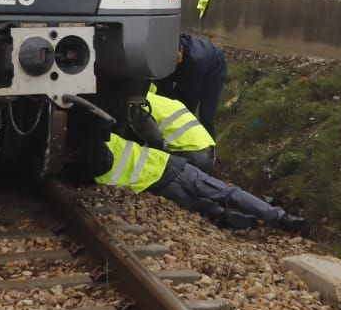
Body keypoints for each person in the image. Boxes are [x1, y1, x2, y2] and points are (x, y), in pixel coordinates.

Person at [68, 132, 305, 232]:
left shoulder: (94, 172)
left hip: (161, 187)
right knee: (227, 192)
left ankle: (242, 221)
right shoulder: (109, 140)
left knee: (206, 207)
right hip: (173, 167)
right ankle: (280, 218)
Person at [152, 33, 227, 133]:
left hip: (214, 68)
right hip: (186, 65)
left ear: (181, 50)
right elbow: (162, 91)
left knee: (206, 116)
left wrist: (183, 120)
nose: (173, 63)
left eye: (176, 59)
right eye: (170, 61)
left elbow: (191, 97)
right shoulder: (163, 57)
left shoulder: (196, 61)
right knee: (167, 100)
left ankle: (208, 146)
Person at [136, 83, 215, 173]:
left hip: (191, 156)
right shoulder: (159, 100)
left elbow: (156, 140)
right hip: (208, 151)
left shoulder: (139, 107)